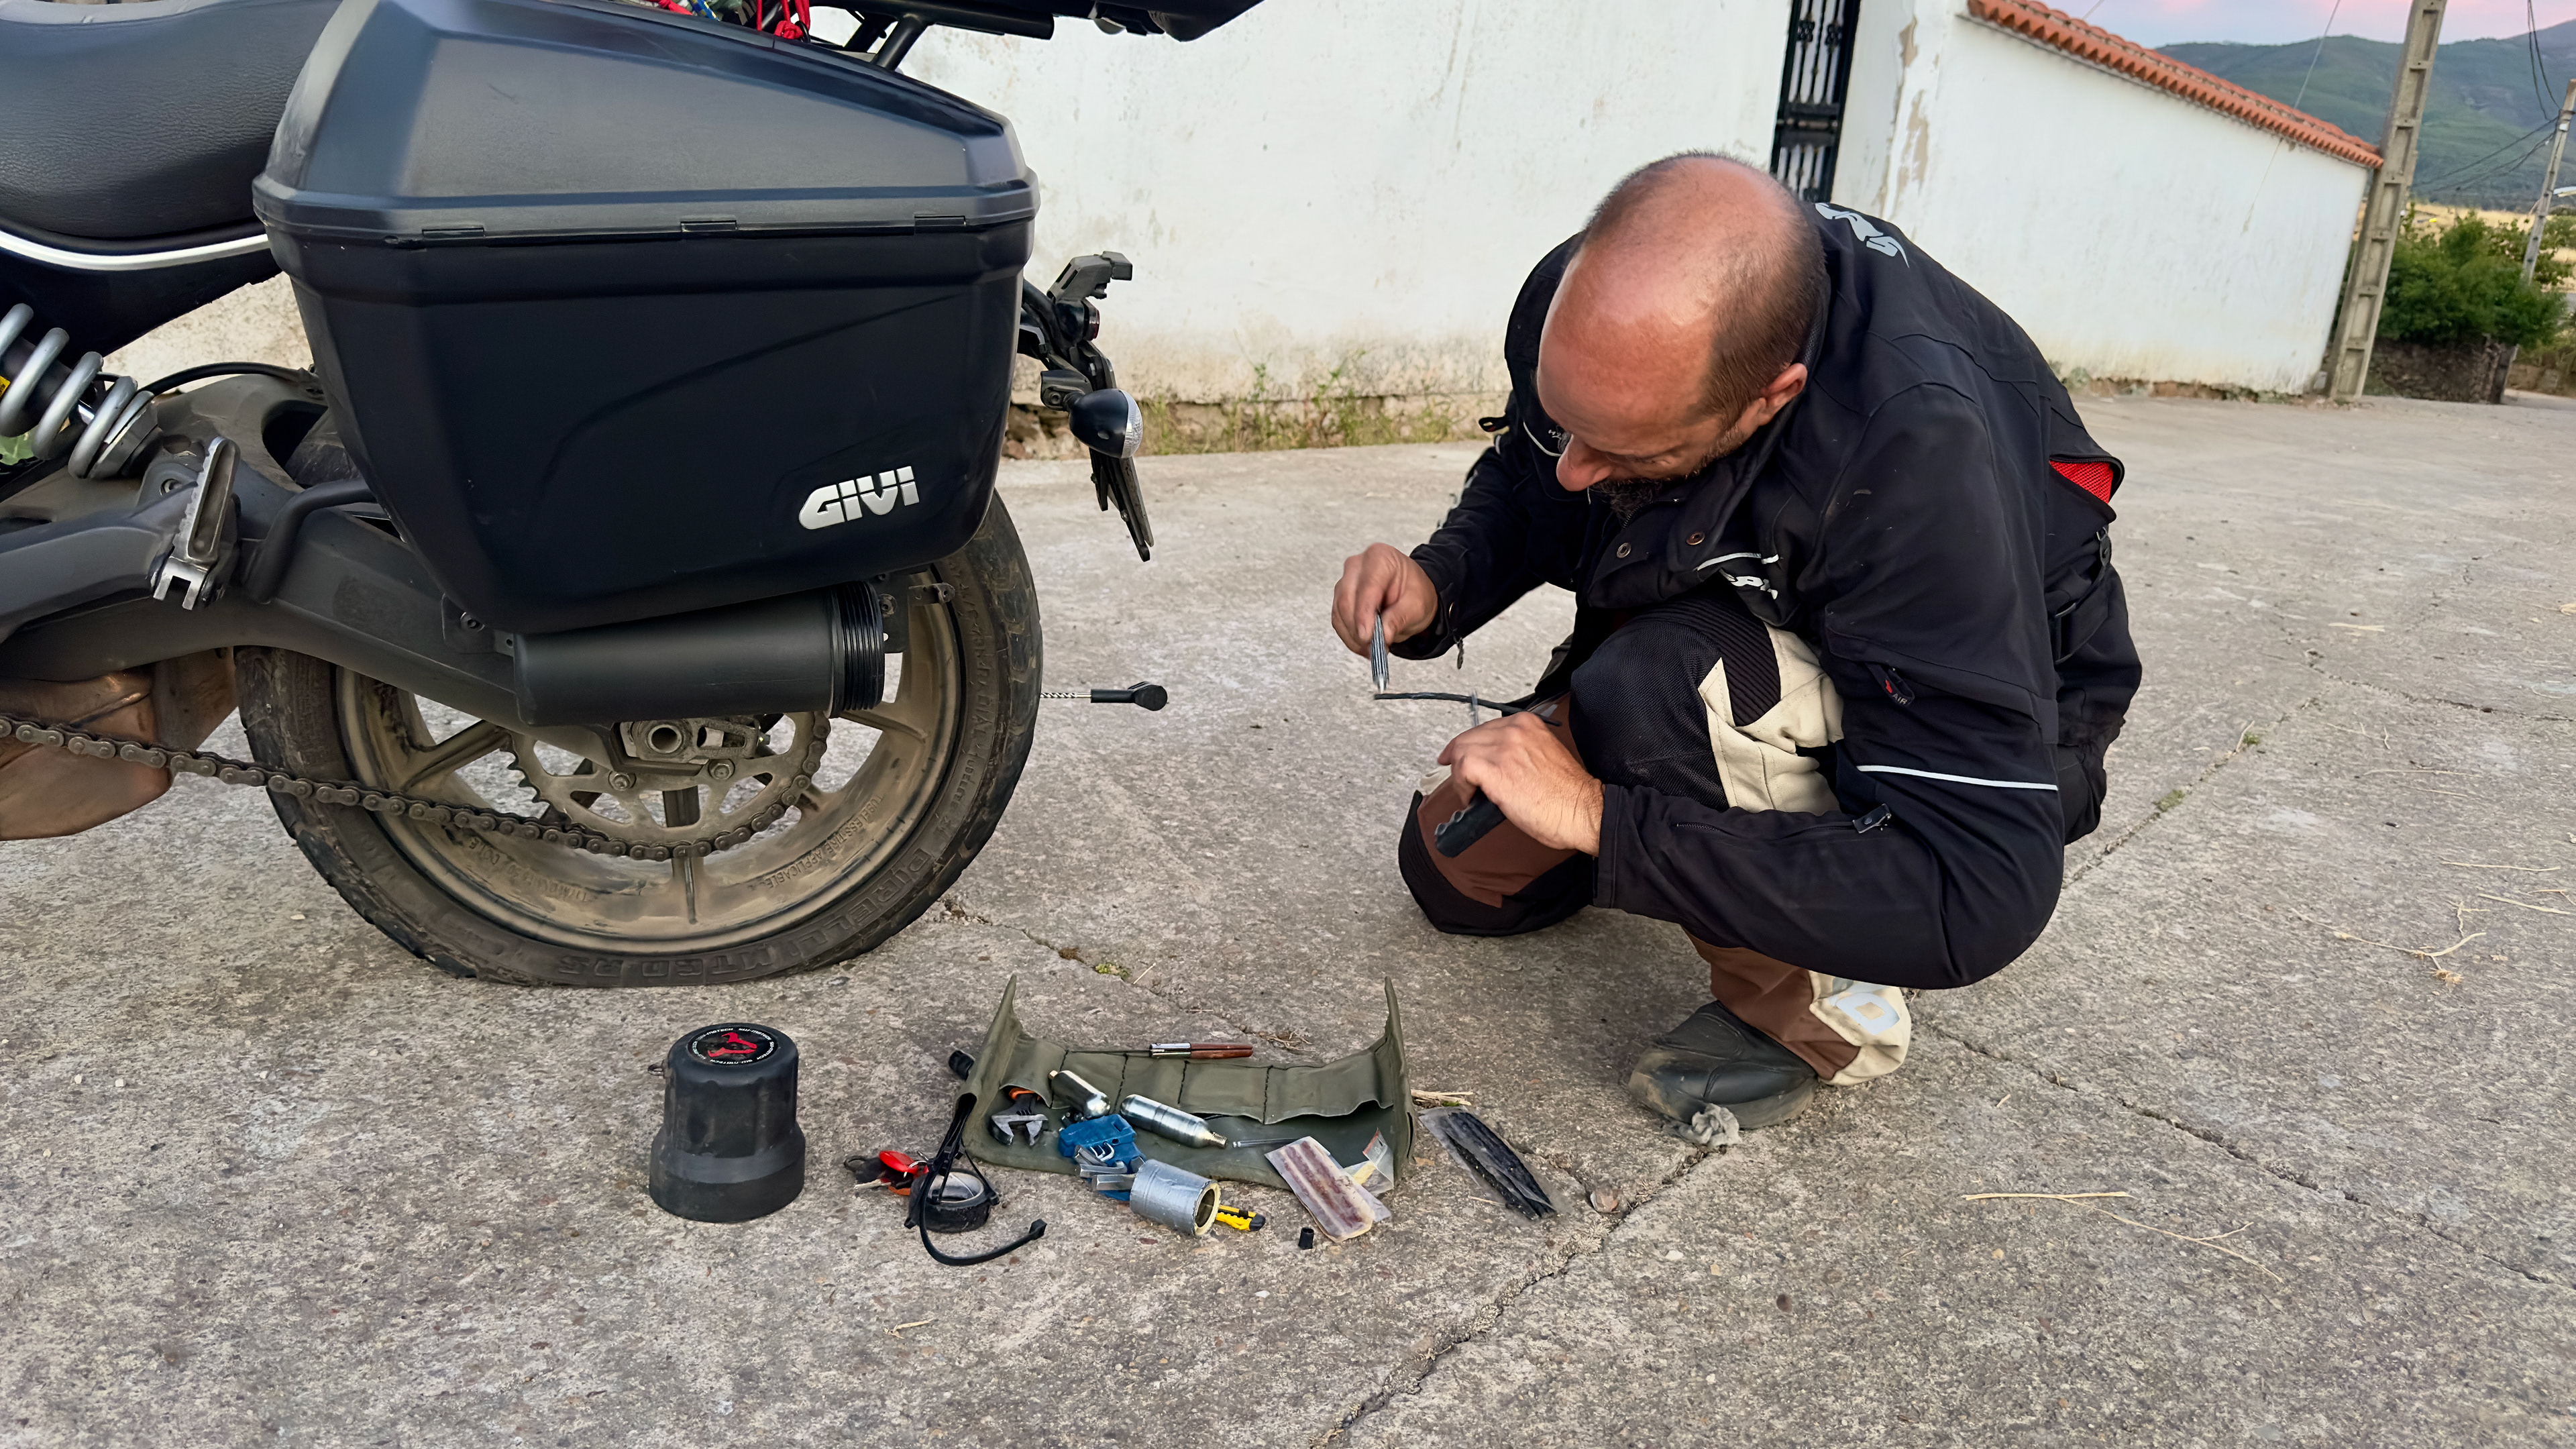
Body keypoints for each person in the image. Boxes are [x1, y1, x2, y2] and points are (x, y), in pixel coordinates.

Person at [1330, 154, 2141, 1140]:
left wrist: (1602, 818)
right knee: (1457, 878)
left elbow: (1980, 888)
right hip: (1737, 611)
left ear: (1771, 395)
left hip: (1962, 708)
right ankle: (1695, 807)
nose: (1580, 467)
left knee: (1660, 687)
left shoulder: (1919, 460)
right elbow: (1540, 474)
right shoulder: (1586, 303)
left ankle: (1822, 1010)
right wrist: (1438, 586)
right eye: (1568, 418)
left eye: (1625, 449)